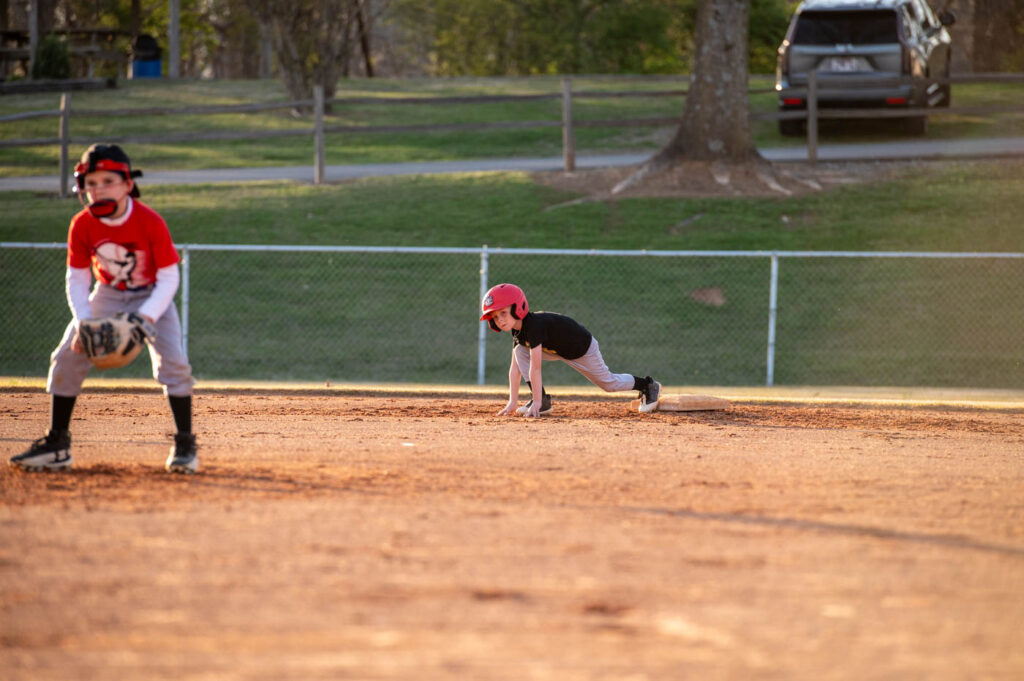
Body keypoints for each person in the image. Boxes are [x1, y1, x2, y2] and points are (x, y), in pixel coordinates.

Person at [9, 144, 198, 474]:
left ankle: (185, 445)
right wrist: (84, 322)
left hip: (152, 294)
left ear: (128, 184)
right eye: (91, 183)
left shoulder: (149, 221)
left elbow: (169, 277)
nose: (98, 190)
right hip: (108, 293)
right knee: (67, 356)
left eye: (108, 181)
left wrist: (145, 318)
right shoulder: (82, 224)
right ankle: (57, 445)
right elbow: (77, 278)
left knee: (175, 364)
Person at [480, 283, 661, 417]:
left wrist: (535, 402)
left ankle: (647, 385)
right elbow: (515, 368)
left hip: (581, 349)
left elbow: (535, 368)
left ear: (517, 307)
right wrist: (512, 402)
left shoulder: (534, 326)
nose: (500, 319)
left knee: (609, 384)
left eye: (503, 313)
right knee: (519, 351)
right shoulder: (518, 330)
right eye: (495, 317)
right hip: (556, 349)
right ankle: (542, 401)